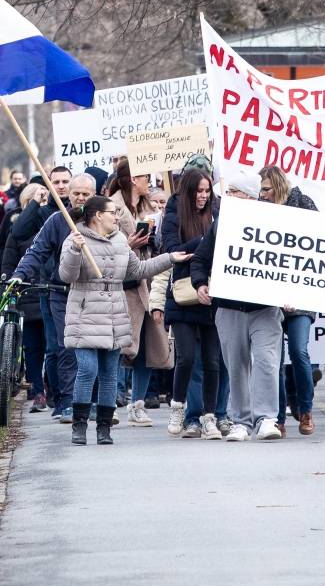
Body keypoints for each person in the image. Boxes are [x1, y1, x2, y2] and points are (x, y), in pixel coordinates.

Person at [61, 194, 187, 444]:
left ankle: (104, 428)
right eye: (112, 212)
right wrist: (75, 250)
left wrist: (170, 259)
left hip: (114, 313)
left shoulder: (120, 240)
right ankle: (79, 425)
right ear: (98, 215)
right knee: (88, 369)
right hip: (85, 312)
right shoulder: (76, 238)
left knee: (109, 372)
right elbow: (66, 274)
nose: (117, 216)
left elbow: (138, 270)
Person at [187, 172, 285, 442]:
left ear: (251, 196)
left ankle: (266, 418)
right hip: (229, 308)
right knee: (236, 365)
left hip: (264, 308)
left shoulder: (276, 221)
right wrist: (200, 284)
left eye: (235, 192)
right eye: (227, 191)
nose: (227, 196)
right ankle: (241, 421)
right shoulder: (221, 225)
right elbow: (201, 260)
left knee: (266, 361)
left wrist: (292, 291)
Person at [12, 172, 97, 422]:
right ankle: (68, 402)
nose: (80, 199)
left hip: (94, 292)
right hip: (61, 293)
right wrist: (20, 274)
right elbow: (36, 251)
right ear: (68, 195)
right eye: (76, 194)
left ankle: (92, 401)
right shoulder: (56, 220)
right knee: (66, 346)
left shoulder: (104, 218)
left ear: (94, 195)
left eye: (86, 194)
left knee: (94, 347)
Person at [159, 168, 223, 438]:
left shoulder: (217, 214)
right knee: (185, 358)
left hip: (211, 293)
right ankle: (178, 407)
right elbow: (174, 250)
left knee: (212, 361)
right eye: (199, 191)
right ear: (187, 192)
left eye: (207, 191)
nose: (203, 196)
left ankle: (209, 416)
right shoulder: (173, 215)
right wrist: (209, 241)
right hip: (184, 294)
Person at [259, 165, 318, 435]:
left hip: (301, 296)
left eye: (267, 189)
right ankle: (279, 416)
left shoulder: (304, 204)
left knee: (298, 351)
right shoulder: (260, 210)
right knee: (274, 360)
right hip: (270, 298)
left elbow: (320, 245)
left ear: (279, 186)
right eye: (261, 189)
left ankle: (305, 411)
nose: (263, 194)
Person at [104, 160, 163, 426]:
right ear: (131, 179)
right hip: (124, 286)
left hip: (148, 284)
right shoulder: (113, 206)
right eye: (144, 176)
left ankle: (137, 404)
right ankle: (109, 402)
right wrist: (127, 244)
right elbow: (103, 245)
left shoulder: (148, 206)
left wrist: (153, 239)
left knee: (148, 346)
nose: (148, 180)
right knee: (120, 345)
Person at [1, 182, 51, 411]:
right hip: (28, 296)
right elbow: (9, 261)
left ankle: (52, 388)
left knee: (53, 347)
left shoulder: (49, 224)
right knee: (32, 348)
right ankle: (38, 389)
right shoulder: (18, 230)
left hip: (49, 292)